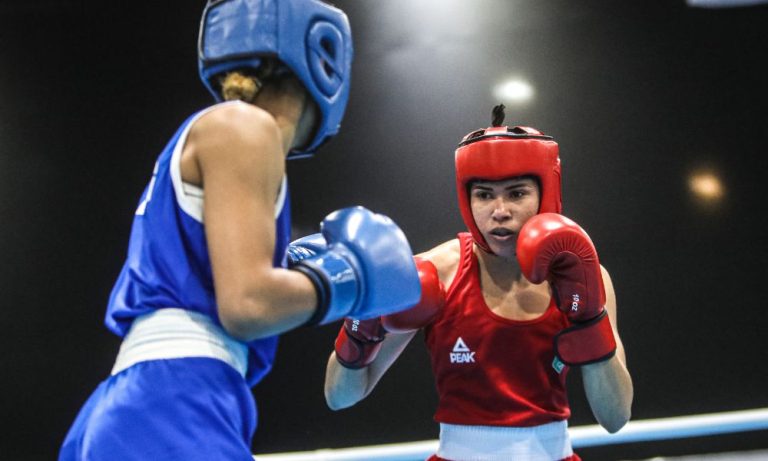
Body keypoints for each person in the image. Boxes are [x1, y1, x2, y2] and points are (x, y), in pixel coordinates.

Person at [58, 1, 422, 460]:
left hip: (140, 398)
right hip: (175, 397)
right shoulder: (247, 127)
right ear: (321, 54)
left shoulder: (211, 132)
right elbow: (247, 304)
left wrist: (289, 268)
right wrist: (349, 279)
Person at [320, 105, 634, 461]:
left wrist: (588, 319)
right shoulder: (435, 273)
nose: (499, 210)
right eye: (484, 194)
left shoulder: (584, 275)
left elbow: (615, 416)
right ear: (467, 199)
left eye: (516, 193)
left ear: (546, 193)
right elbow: (339, 395)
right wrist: (363, 324)